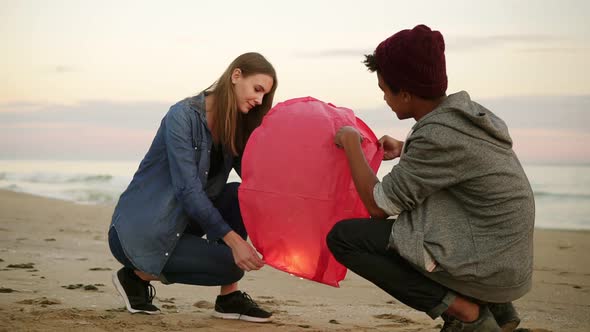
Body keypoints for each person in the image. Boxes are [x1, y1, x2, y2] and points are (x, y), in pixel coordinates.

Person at [328, 25, 534, 332]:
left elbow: (378, 205)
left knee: (345, 238)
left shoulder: (437, 135)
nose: (384, 97)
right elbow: (456, 165)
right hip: (506, 260)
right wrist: (406, 149)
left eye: (385, 90)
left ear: (407, 94)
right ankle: (498, 311)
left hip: (488, 267)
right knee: (416, 221)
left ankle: (466, 312)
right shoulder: (462, 115)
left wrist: (350, 144)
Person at [108, 52, 277, 323]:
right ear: (236, 76)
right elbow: (188, 191)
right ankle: (134, 276)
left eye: (264, 95)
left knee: (238, 195)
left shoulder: (236, 125)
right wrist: (235, 243)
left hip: (184, 224)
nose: (259, 100)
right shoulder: (182, 116)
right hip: (143, 230)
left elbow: (255, 181)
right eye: (257, 89)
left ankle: (228, 299)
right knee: (232, 267)